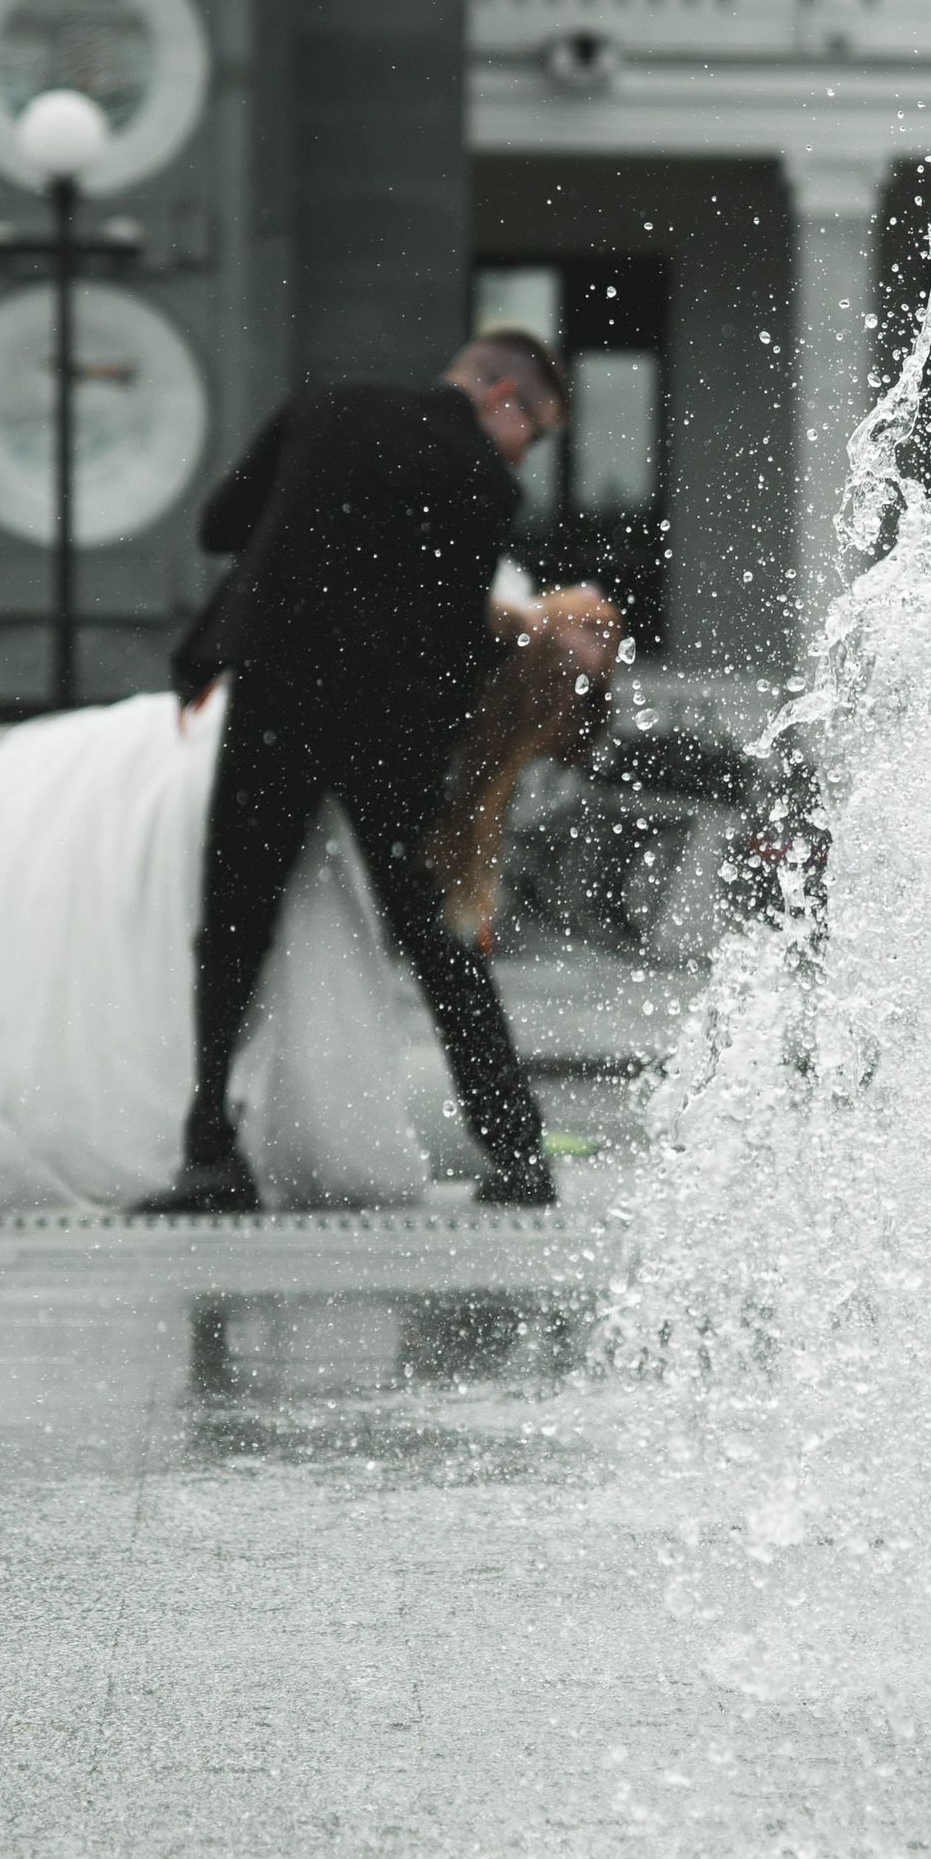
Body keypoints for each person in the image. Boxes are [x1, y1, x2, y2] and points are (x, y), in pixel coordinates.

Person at [0, 577, 619, 1213]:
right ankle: (235, 1135)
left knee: (209, 943)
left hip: (239, 745)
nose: (600, 622)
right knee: (238, 951)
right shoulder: (478, 645)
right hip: (256, 762)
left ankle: (221, 1136)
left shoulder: (482, 631)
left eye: (599, 632)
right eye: (598, 631)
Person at [141, 327, 576, 1215]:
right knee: (436, 935)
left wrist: (301, 524)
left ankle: (210, 1156)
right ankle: (517, 1149)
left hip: (277, 695)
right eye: (535, 429)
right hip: (390, 728)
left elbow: (220, 524)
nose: (527, 448)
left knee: (234, 925)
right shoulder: (484, 478)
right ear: (501, 399)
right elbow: (454, 637)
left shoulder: (324, 404)